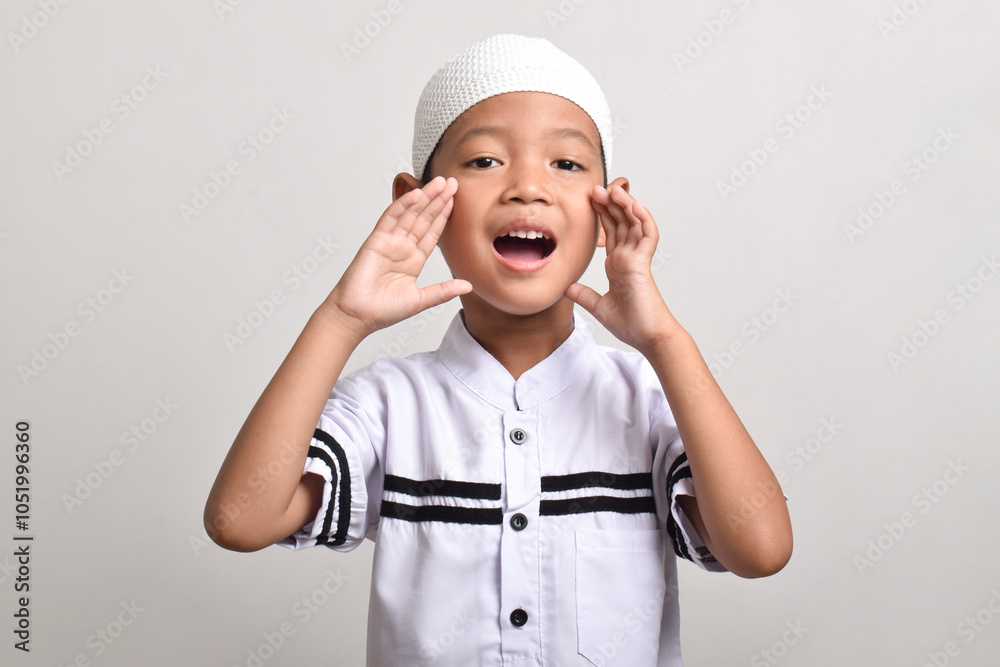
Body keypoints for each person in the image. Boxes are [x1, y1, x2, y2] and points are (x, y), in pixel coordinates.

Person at [204, 33, 793, 666]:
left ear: (609, 209)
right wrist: (341, 319)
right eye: (485, 160)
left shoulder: (647, 399)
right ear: (415, 201)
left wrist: (665, 342)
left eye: (566, 163)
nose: (528, 187)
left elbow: (759, 550)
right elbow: (241, 519)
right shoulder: (387, 406)